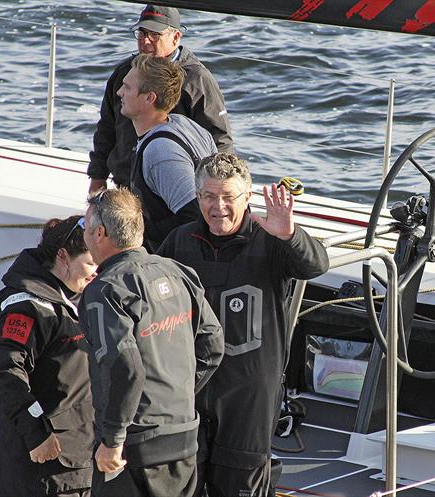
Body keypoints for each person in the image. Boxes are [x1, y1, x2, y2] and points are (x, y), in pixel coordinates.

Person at [158, 154, 330, 497]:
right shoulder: (180, 241)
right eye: (208, 196)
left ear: (246, 197)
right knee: (182, 480)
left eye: (228, 197)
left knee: (241, 483)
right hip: (189, 387)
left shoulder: (270, 239)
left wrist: (290, 234)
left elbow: (316, 265)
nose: (217, 206)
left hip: (249, 395)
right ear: (197, 197)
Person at [78, 188, 224, 497]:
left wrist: (113, 441)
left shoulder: (105, 291)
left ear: (100, 233)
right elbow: (212, 344)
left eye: (84, 227)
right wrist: (177, 393)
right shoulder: (179, 273)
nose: (84, 235)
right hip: (184, 435)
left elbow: (125, 367)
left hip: (135, 446)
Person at [0, 215, 97, 497]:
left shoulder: (77, 297)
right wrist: (37, 433)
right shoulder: (25, 305)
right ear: (63, 256)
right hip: (45, 467)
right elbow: (6, 371)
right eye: (91, 262)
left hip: (80, 460)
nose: (97, 270)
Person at [88, 4, 233, 192]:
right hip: (125, 187)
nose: (145, 41)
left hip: (171, 189)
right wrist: (97, 177)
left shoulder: (196, 80)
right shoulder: (125, 74)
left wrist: (216, 191)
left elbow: (220, 140)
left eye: (154, 34)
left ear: (176, 37)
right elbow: (106, 129)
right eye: (141, 33)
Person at [120, 53, 217, 251]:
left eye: (127, 87)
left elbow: (195, 216)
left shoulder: (161, 151)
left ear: (149, 98)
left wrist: (135, 230)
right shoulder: (186, 124)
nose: (119, 93)